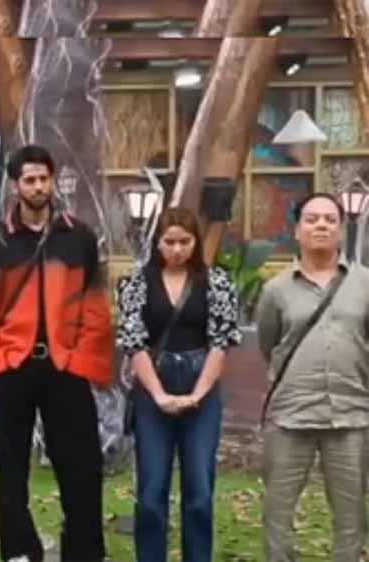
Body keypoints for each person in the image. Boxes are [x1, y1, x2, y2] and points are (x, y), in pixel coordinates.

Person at [0, 145, 113, 562]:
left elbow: (95, 304)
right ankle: (19, 552)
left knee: (81, 468)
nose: (37, 187)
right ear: (15, 186)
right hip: (14, 365)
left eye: (43, 179)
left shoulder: (79, 237)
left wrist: (81, 359)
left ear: (52, 182)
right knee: (12, 469)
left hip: (66, 365)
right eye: (29, 180)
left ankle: (84, 552)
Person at [116, 207, 242, 562]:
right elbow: (133, 342)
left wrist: (198, 393)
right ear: (157, 242)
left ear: (195, 242)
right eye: (169, 242)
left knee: (199, 492)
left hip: (200, 380)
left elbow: (221, 342)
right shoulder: (137, 283)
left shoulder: (216, 281)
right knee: (151, 492)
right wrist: (158, 394)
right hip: (153, 383)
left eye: (184, 242)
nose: (176, 249)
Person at [257, 193, 369, 562]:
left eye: (329, 219)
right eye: (312, 219)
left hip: (351, 415)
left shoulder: (365, 284)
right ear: (297, 230)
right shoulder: (276, 289)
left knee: (351, 519)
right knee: (277, 514)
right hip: (290, 416)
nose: (321, 225)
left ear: (341, 229)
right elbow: (270, 345)